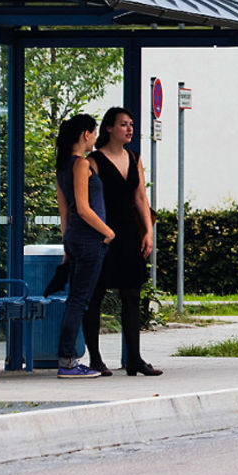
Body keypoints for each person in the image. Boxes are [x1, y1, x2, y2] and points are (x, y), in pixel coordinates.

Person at [83, 107, 161, 377]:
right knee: (96, 294)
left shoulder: (134, 157)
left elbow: (140, 197)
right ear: (109, 128)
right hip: (103, 232)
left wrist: (148, 231)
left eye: (131, 124)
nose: (129, 129)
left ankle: (134, 359)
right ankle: (95, 359)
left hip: (128, 232)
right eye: (123, 124)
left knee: (131, 294)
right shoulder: (94, 160)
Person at [54, 114, 115, 379]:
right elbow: (82, 208)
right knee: (79, 301)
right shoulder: (81, 164)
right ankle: (67, 361)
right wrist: (109, 232)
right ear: (85, 134)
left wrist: (67, 245)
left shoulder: (62, 167)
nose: (95, 138)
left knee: (75, 300)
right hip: (89, 239)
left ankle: (67, 359)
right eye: (94, 132)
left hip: (75, 239)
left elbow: (64, 212)